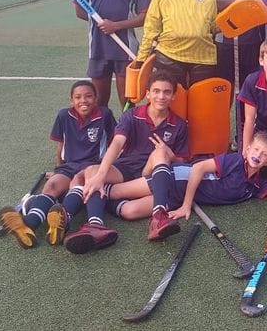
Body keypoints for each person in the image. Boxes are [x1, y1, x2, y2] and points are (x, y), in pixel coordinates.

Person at [60, 71, 188, 254]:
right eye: (156, 91)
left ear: (173, 96)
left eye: (167, 92)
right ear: (148, 94)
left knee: (159, 154)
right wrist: (101, 175)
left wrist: (170, 154)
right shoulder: (132, 115)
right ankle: (95, 225)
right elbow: (117, 143)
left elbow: (181, 161)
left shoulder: (180, 124)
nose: (161, 96)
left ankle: (159, 217)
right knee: (95, 173)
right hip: (126, 168)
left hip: (151, 173)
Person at [108, 131, 267, 241]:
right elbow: (198, 168)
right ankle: (93, 195)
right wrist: (186, 205)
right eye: (256, 149)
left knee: (128, 212)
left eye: (265, 155)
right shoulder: (235, 161)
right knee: (116, 192)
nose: (258, 155)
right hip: (176, 179)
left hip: (176, 197)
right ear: (248, 149)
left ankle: (102, 200)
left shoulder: (257, 185)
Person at [0, 81, 117, 249]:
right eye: (78, 97)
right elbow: (60, 145)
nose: (83, 100)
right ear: (71, 101)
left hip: (92, 166)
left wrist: (107, 167)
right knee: (52, 186)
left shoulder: (105, 114)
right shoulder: (63, 115)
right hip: (69, 165)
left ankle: (63, 221)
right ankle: (28, 225)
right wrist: (58, 168)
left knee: (78, 184)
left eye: (88, 96)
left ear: (96, 98)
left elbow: (115, 143)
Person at [75, 0, 150, 108]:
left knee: (127, 102)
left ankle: (126, 127)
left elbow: (145, 17)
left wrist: (116, 26)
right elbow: (80, 10)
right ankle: (103, 128)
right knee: (99, 102)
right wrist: (99, 23)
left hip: (125, 49)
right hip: (98, 48)